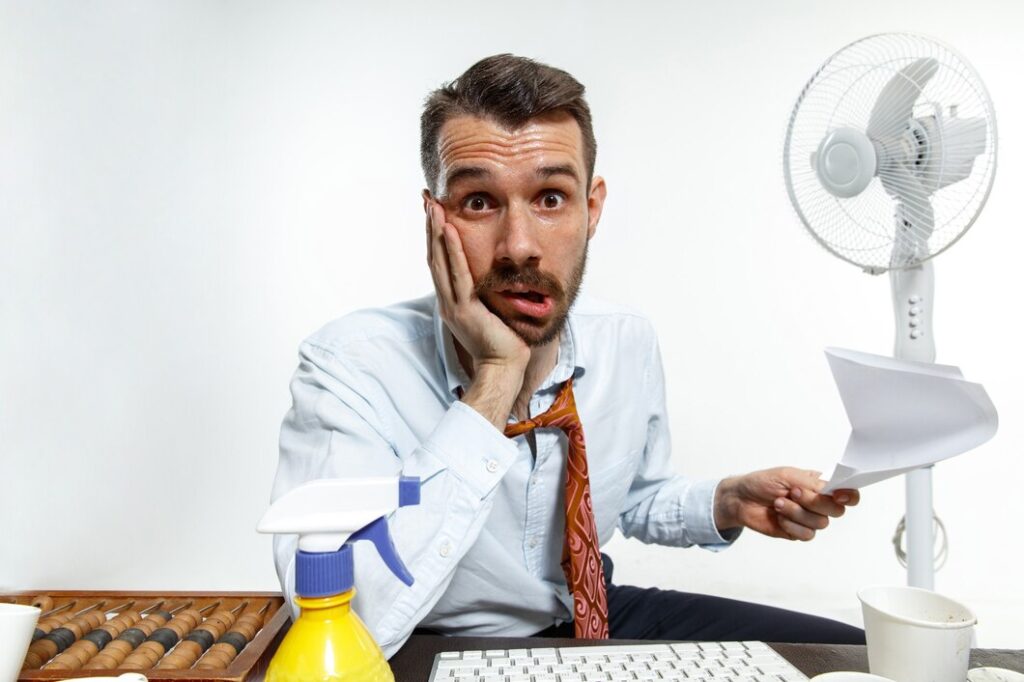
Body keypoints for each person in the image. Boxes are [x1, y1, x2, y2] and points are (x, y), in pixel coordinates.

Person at [270, 54, 865, 656]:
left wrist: (725, 502)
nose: (520, 246)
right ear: (435, 218)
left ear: (593, 208)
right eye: (479, 202)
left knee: (848, 658)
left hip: (590, 612)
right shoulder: (350, 367)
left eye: (550, 197)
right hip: (428, 636)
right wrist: (496, 378)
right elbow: (351, 623)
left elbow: (630, 495)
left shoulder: (625, 340)